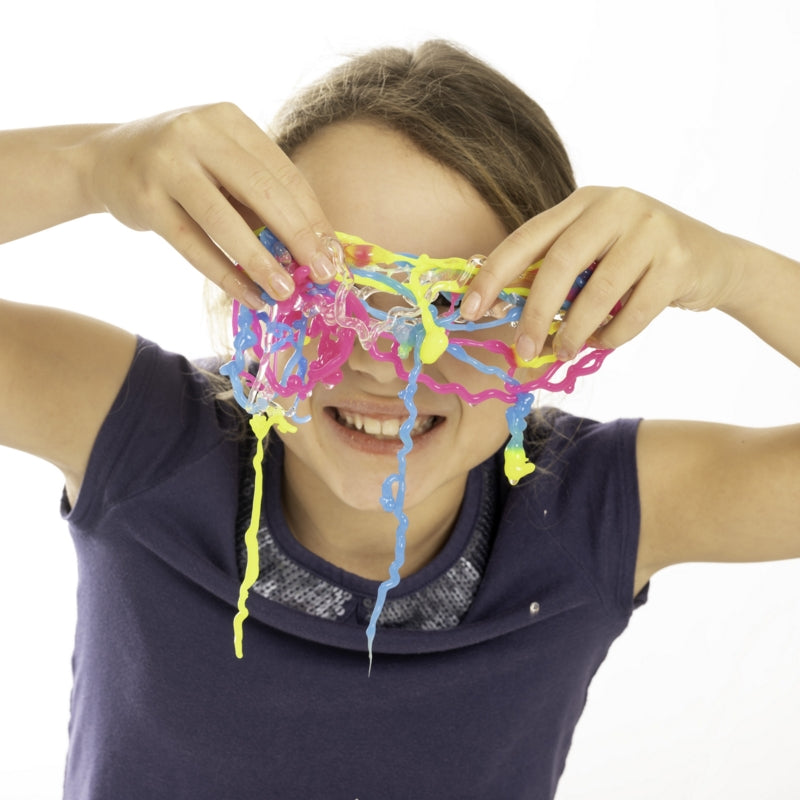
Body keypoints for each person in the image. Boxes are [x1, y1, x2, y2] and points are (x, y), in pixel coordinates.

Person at [0, 40, 797, 800]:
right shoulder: (143, 440)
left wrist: (730, 270)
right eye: (325, 291)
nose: (386, 363)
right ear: (243, 290)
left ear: (556, 330)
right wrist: (91, 165)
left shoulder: (588, 514)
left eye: (456, 305)